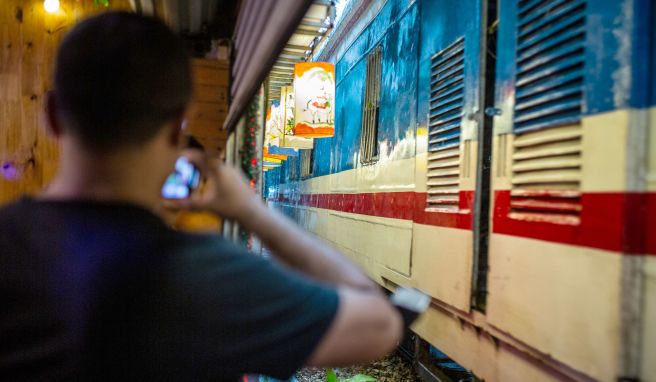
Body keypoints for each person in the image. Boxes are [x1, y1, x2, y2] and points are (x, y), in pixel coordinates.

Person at [0, 11, 402, 382]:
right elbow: (380, 324)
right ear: (179, 129)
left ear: (51, 114)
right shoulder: (212, 276)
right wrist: (250, 212)